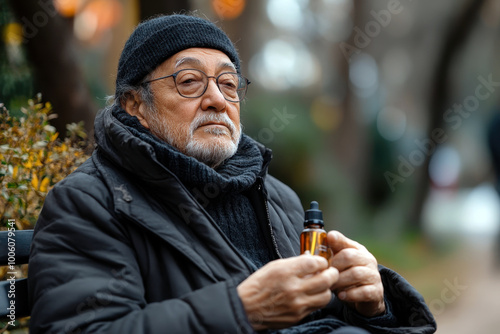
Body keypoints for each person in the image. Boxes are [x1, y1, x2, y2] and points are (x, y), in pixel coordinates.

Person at [28, 14, 436, 334]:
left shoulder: (277, 196)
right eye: (190, 82)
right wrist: (242, 311)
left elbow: (320, 314)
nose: (217, 100)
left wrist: (372, 305)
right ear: (135, 105)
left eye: (228, 83)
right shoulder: (87, 203)